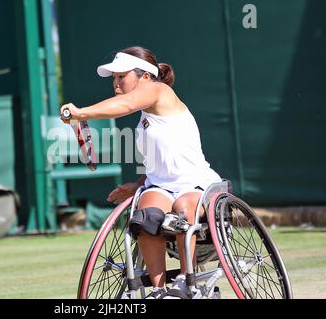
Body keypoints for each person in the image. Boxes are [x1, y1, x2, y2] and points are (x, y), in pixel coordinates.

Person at [60, 46, 221, 299]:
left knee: (182, 207)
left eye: (121, 77)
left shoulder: (160, 90)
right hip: (161, 186)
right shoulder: (145, 120)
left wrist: (81, 113)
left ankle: (185, 283)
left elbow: (126, 103)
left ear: (145, 76)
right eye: (113, 78)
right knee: (145, 217)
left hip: (196, 185)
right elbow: (162, 163)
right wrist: (138, 184)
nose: (115, 84)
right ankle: (157, 291)